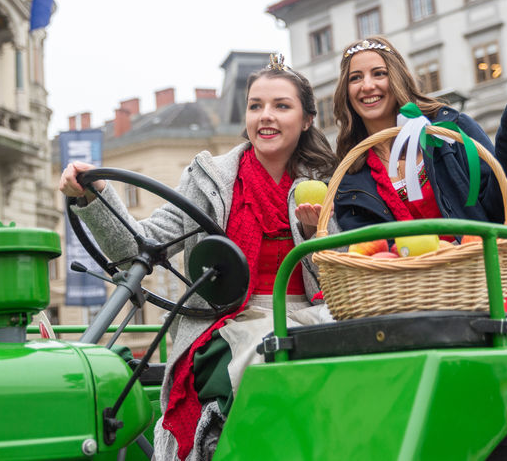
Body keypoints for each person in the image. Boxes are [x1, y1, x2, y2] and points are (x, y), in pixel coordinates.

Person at [59, 54, 338, 461]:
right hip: (225, 322)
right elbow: (139, 247)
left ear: (307, 119)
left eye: (282, 106)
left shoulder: (331, 181)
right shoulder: (211, 179)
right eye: (255, 105)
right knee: (268, 355)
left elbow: (354, 269)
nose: (266, 117)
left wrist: (318, 238)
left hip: (311, 315)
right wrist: (96, 194)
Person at [332, 36, 507, 313]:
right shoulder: (350, 177)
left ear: (396, 77)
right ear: (346, 92)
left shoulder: (452, 130)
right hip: (417, 303)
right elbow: (370, 256)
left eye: (379, 73)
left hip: (500, 286)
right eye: (355, 78)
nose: (367, 85)